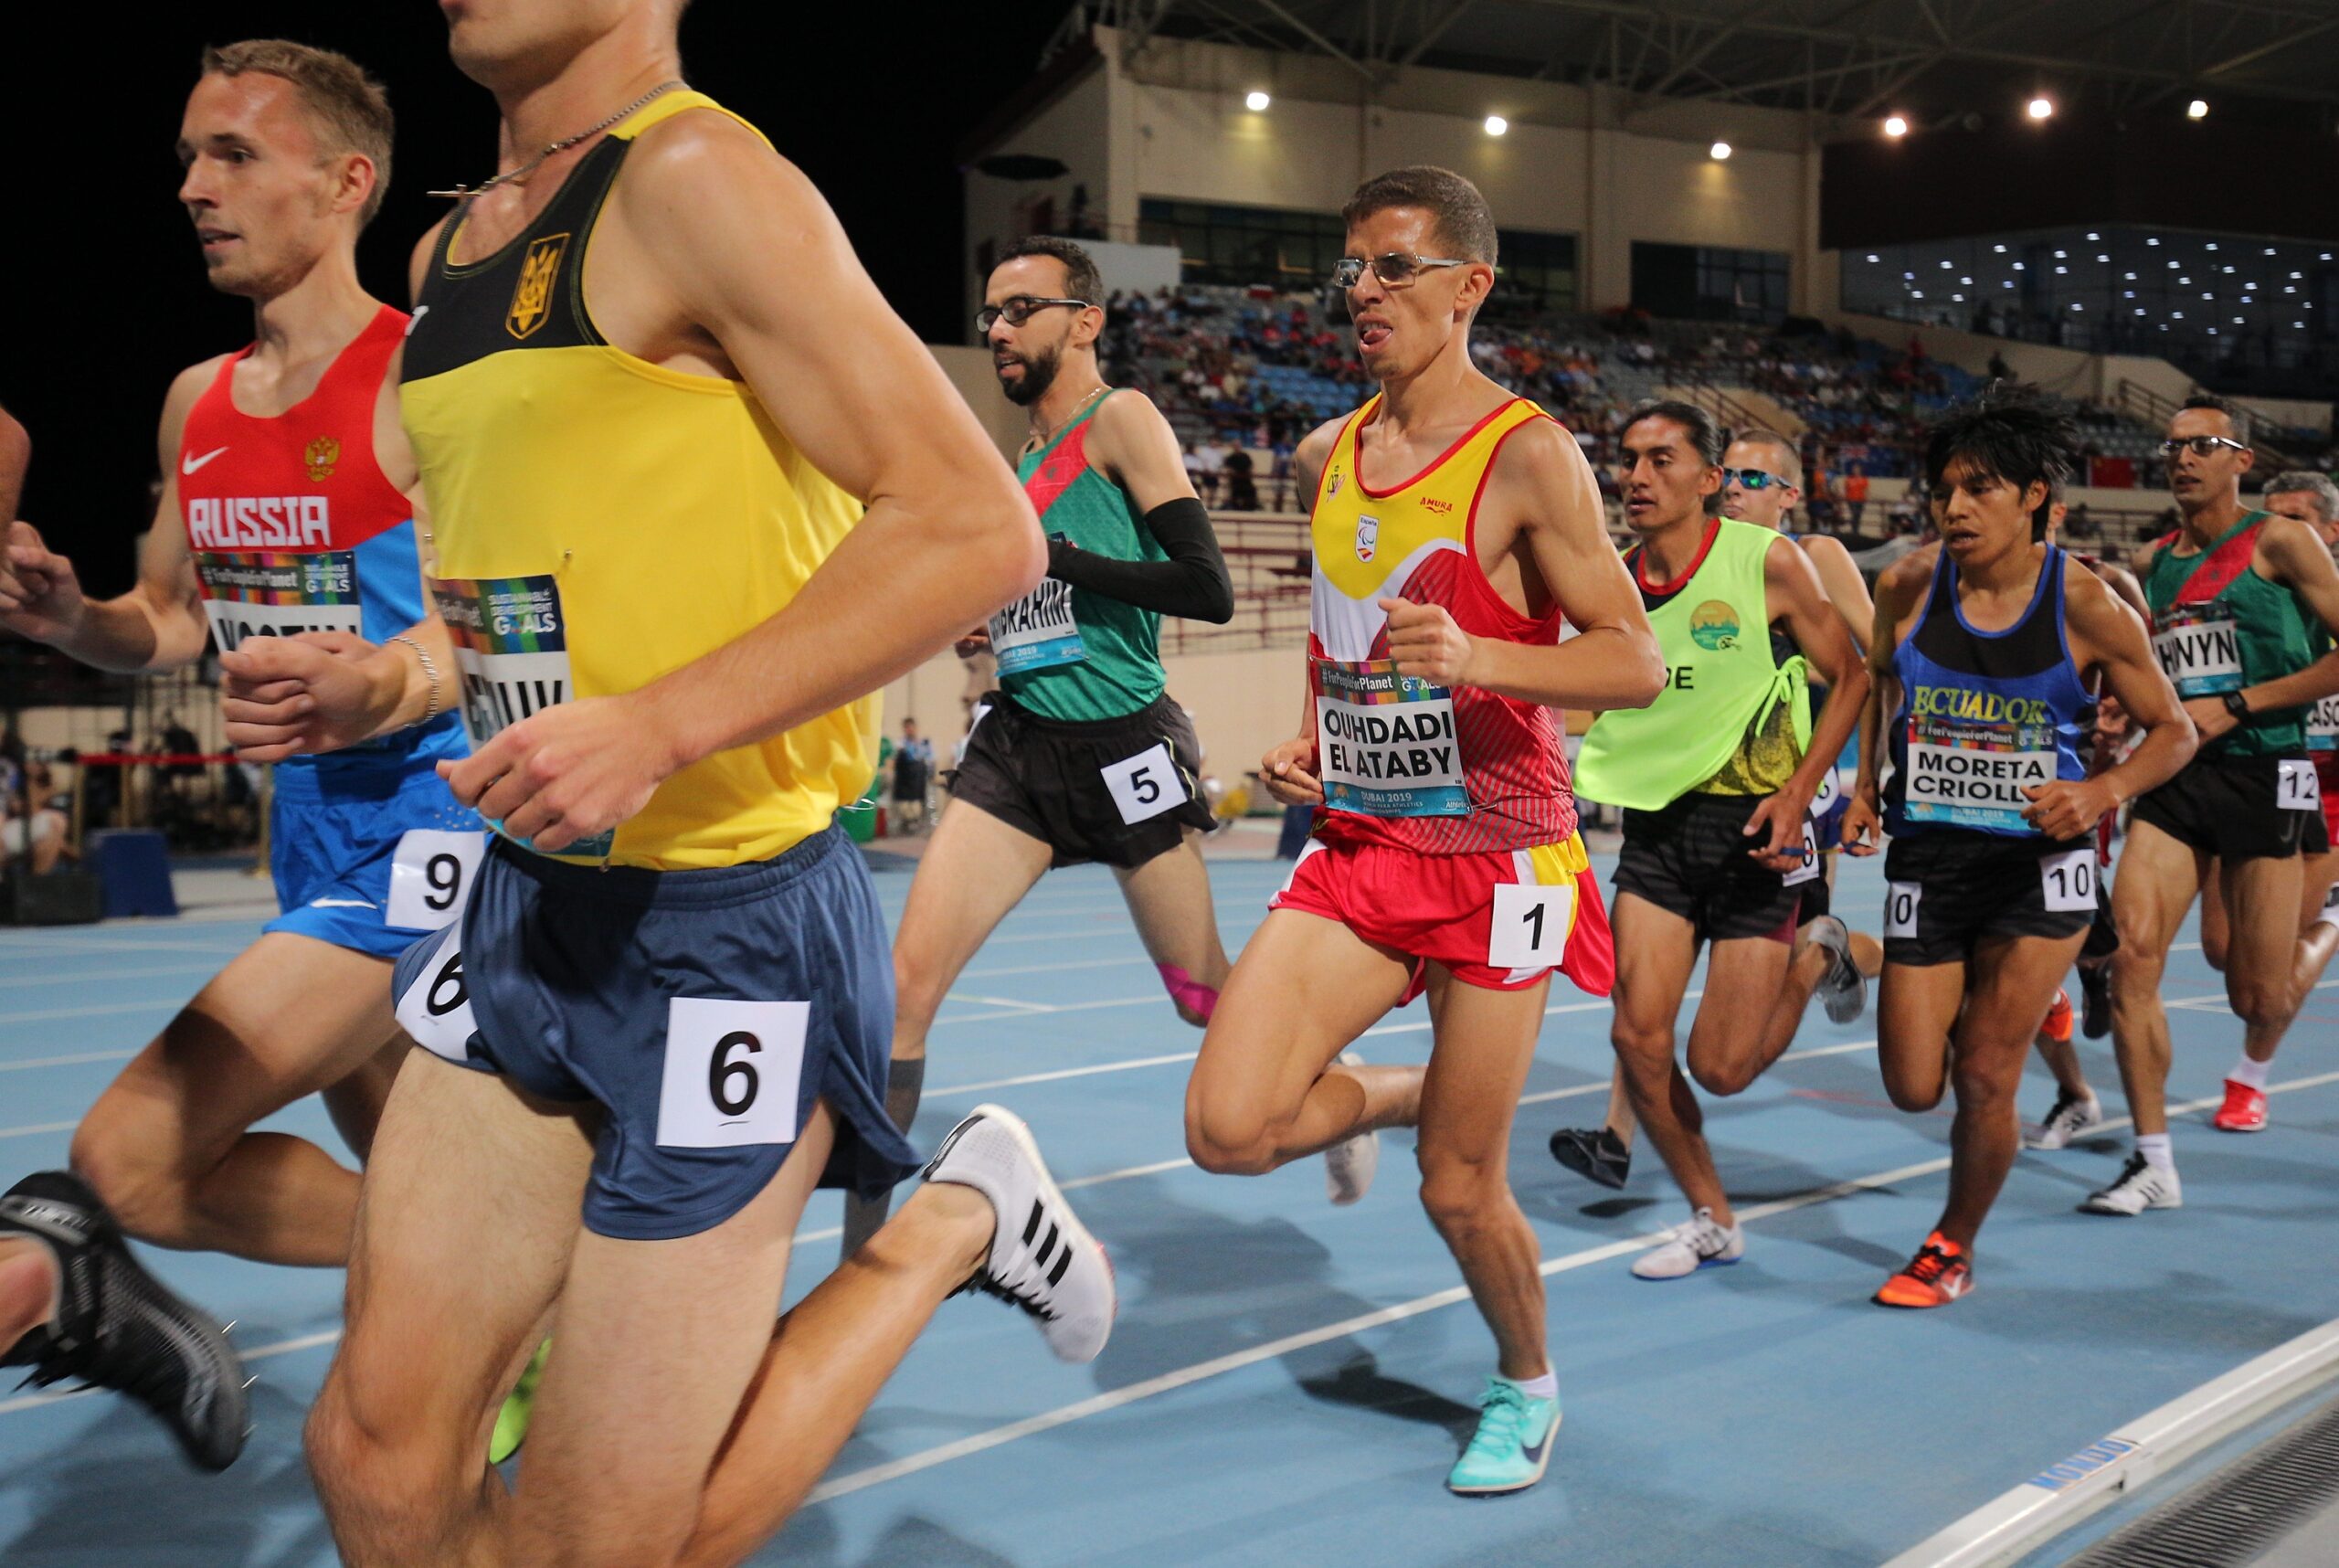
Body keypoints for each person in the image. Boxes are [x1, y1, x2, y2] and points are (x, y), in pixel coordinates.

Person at [232, 7, 1113, 1561]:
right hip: (528, 904)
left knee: (603, 1544)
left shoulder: (698, 179)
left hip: (730, 933)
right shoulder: (450, 251)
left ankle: (951, 1222)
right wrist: (390, 680)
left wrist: (658, 727)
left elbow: (977, 532)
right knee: (373, 1458)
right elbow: (517, 587)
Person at [0, 41, 495, 1472]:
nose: (193, 187)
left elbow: (501, 617)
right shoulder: (194, 402)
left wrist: (379, 689)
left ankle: (536, 1278)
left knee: (136, 1158)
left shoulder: (427, 374)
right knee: (417, 1173)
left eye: (234, 155)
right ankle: (520, 1295)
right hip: (311, 835)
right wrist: (70, 616)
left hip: (436, 826)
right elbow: (168, 620)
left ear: (345, 184)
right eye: (188, 157)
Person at [1185, 166, 1663, 1497]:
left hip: (1502, 859)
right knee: (1227, 1128)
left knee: (1457, 1190)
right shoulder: (1325, 453)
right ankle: (1399, 1094)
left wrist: (1482, 658)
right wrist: (1313, 734)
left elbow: (1632, 662)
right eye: (1352, 267)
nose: (1364, 290)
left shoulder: (1526, 454)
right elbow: (1344, 634)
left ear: (1471, 287)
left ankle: (1526, 1383)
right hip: (1362, 844)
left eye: (1395, 266)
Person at [845, 236, 1234, 1257]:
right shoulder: (1018, 462)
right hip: (1018, 747)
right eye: (990, 314)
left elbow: (1208, 589)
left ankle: (1329, 1087)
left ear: (1086, 321)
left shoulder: (1124, 419)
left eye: (1021, 309)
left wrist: (1058, 560)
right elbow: (1052, 596)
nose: (999, 330)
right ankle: (859, 1260)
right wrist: (1003, 619)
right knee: (900, 996)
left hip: (1124, 748)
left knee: (1205, 1001)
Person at [1844, 389, 2192, 1307]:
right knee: (1913, 1085)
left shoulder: (2085, 603)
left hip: (2041, 866)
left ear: (2034, 496)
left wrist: (2101, 792)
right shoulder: (1905, 586)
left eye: (1979, 489)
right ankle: (2020, 996)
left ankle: (1949, 1248)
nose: (1954, 508)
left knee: (1984, 1074)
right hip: (1931, 857)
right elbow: (1878, 680)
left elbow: (2175, 731)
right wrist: (1865, 784)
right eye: (1943, 491)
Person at [1568, 400, 1869, 1280]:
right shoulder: (1612, 581)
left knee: (1722, 1068)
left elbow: (1851, 675)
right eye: (1628, 459)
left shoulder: (1766, 561)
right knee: (1638, 1041)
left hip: (1755, 835)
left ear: (1708, 480)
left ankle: (1818, 956)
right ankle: (1712, 1218)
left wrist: (1803, 793)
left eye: (1661, 460)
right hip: (1659, 834)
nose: (1637, 476)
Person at [2090, 396, 2339, 1213]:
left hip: (2266, 772)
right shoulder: (2155, 561)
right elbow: (2162, 670)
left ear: (2242, 460)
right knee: (2131, 956)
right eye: (2173, 447)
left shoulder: (2281, 540)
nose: (2184, 459)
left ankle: (2330, 921)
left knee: (2255, 996)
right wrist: (2125, 713)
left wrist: (2240, 704)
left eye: (2203, 445)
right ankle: (2153, 1160)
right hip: (2180, 776)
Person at [2178, 471, 2339, 1127]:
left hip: (2329, 800)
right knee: (2223, 951)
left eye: (2295, 519)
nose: (2274, 530)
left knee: (2267, 974)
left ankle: (2250, 1076)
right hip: (2254, 778)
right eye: (2268, 516)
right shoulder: (2252, 599)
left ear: (2330, 531)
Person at [889, 716, 933, 833]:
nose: (910, 730)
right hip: (903, 780)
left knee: (916, 806)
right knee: (904, 806)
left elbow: (930, 760)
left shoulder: (923, 744)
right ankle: (905, 823)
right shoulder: (900, 744)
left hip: (918, 780)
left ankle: (915, 822)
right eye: (907, 728)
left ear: (915, 728)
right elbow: (893, 761)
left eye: (911, 727)